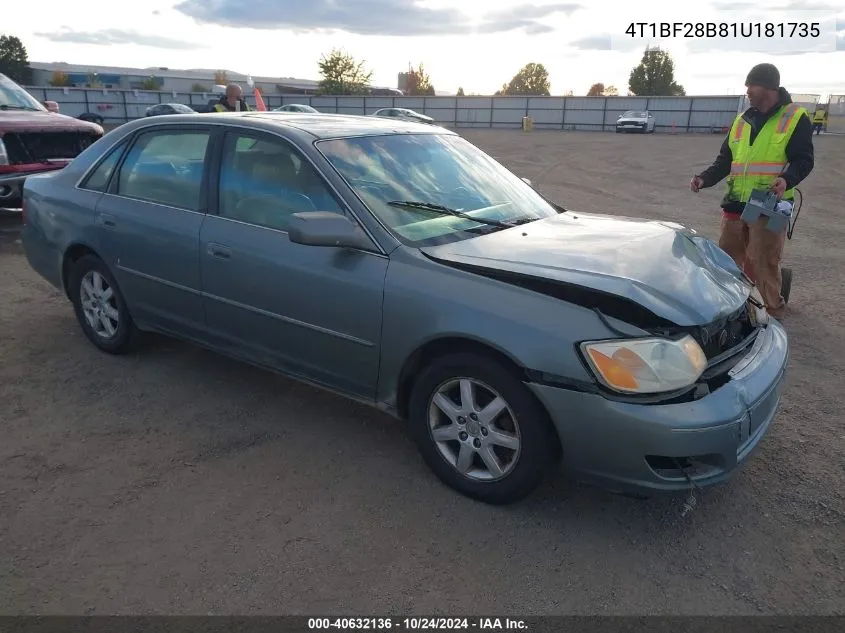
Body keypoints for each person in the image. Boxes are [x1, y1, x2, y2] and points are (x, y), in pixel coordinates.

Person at [689, 63, 814, 319]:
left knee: (764, 264)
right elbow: (725, 160)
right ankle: (731, 312)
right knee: (726, 262)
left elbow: (804, 159)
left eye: (751, 85)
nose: (747, 91)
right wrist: (704, 179)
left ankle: (772, 315)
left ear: (768, 87)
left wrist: (787, 180)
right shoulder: (741, 120)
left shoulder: (794, 117)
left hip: (769, 206)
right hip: (735, 205)